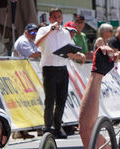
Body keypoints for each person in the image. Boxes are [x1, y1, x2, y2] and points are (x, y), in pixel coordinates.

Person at [35, 7, 85, 139]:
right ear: (50, 18)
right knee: (50, 100)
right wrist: (50, 30)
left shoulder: (65, 33)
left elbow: (72, 50)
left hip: (62, 68)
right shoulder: (43, 30)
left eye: (59, 17)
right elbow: (37, 44)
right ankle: (47, 127)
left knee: (61, 100)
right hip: (49, 68)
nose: (57, 19)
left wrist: (77, 54)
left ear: (62, 18)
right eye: (54, 17)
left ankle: (57, 127)